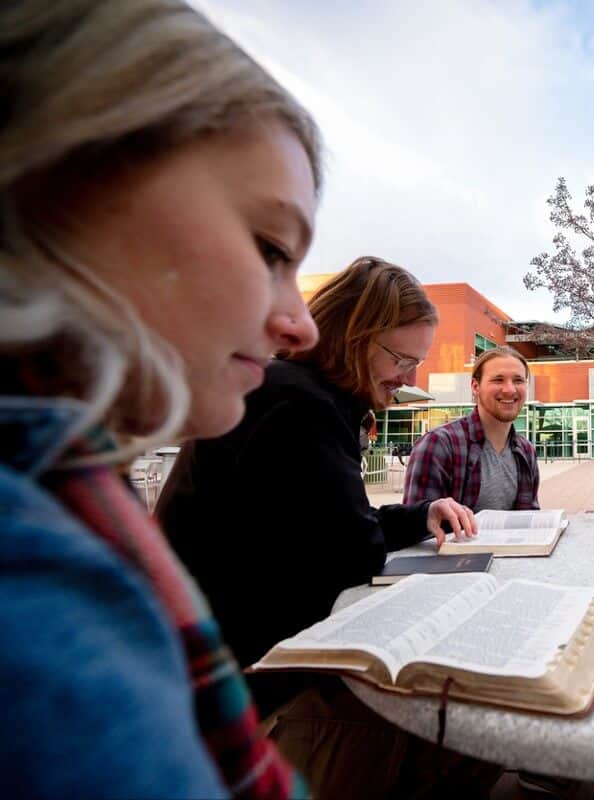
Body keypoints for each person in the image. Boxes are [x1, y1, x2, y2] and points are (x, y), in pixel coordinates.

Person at [0, 0, 321, 795]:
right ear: (57, 179)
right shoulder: (39, 577)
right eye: (272, 248)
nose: (301, 326)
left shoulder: (71, 495)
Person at [158, 257, 496, 799]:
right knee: (468, 725)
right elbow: (351, 552)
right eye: (402, 358)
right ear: (351, 338)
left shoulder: (293, 393)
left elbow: (330, 527)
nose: (410, 377)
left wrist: (417, 514)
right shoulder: (298, 408)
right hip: (237, 700)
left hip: (219, 668)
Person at [404, 346, 540, 510]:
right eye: (498, 380)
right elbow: (417, 526)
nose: (510, 389)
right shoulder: (439, 445)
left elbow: (529, 520)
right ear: (475, 387)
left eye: (518, 380)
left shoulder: (526, 451)